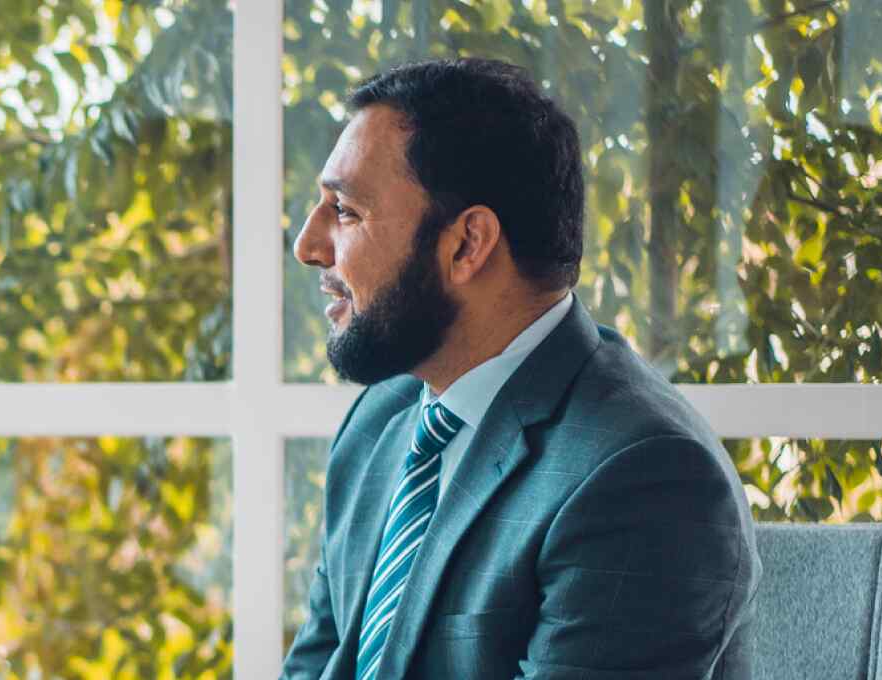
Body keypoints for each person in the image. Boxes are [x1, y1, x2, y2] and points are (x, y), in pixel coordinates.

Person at [282, 58, 758, 679]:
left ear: (467, 245)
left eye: (345, 212)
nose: (308, 245)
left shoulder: (644, 475)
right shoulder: (382, 420)